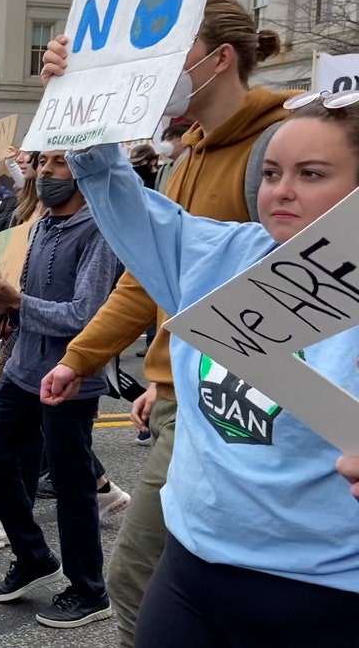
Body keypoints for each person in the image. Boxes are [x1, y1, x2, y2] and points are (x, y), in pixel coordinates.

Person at [37, 0, 293, 647]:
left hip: (247, 405)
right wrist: (87, 358)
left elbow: (300, 301)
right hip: (188, 395)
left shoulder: (277, 154)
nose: (153, 67)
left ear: (220, 58)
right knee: (178, 583)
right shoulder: (182, 161)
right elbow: (153, 273)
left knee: (148, 575)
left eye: (171, 50)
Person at [65, 94, 359, 648]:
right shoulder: (219, 254)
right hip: (191, 568)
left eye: (311, 174)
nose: (282, 190)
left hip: (323, 591)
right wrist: (87, 95)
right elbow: (120, 197)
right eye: (271, 172)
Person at [0, 148, 122, 629]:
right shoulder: (42, 226)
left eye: (57, 163)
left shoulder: (99, 230)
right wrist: (5, 302)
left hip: (72, 377)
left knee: (73, 484)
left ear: (83, 170)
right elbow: (34, 299)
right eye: (43, 163)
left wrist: (20, 301)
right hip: (23, 369)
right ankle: (33, 555)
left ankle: (89, 590)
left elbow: (87, 315)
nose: (43, 172)